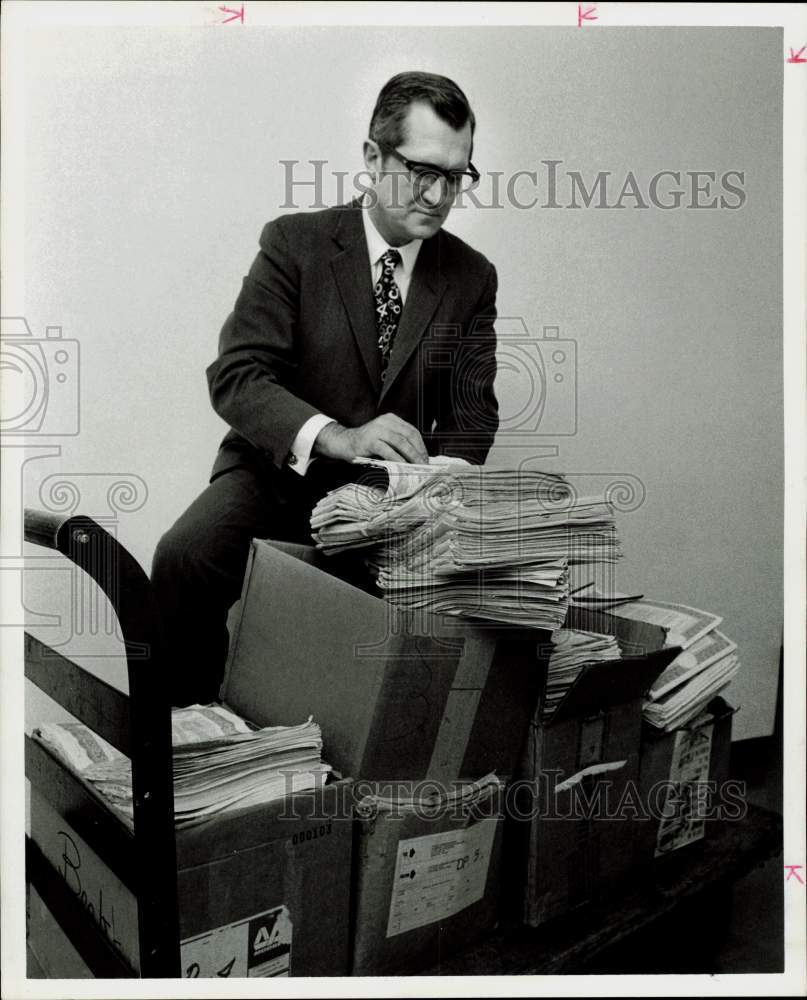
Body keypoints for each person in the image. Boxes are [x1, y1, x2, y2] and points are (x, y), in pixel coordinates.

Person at [151, 71, 500, 706]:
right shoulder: (295, 243)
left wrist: (420, 488)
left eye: (456, 175)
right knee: (184, 557)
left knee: (379, 631)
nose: (438, 193)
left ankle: (341, 776)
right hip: (275, 478)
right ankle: (189, 746)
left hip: (387, 505)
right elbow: (238, 376)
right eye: (422, 169)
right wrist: (337, 437)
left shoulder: (472, 276)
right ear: (373, 156)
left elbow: (474, 415)